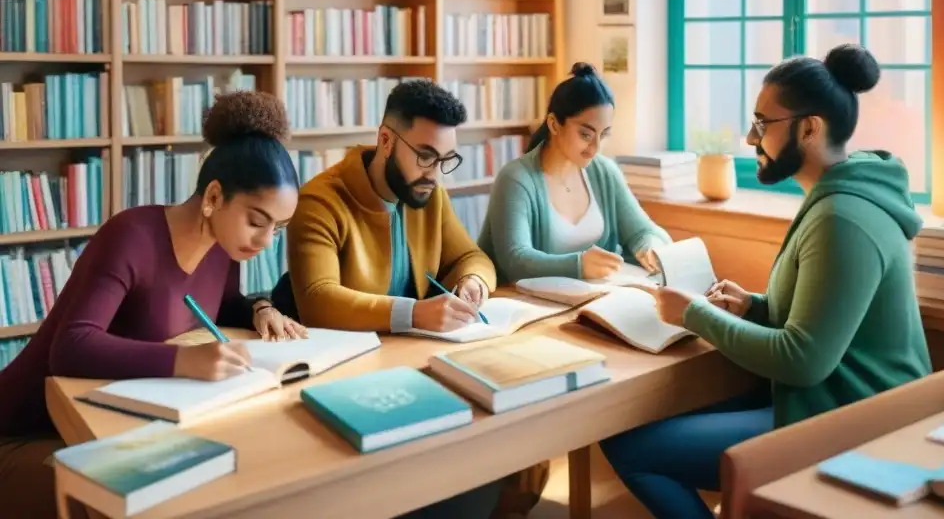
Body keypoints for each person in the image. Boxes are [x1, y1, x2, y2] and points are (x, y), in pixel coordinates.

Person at [599, 44, 933, 519]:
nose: (750, 137)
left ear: (809, 128)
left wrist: (695, 313)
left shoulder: (843, 217)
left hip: (851, 420)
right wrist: (753, 306)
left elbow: (802, 360)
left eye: (761, 124)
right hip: (835, 403)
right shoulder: (837, 199)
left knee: (631, 448)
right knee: (644, 419)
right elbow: (825, 321)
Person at [0, 90, 307, 518]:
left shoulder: (223, 245)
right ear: (214, 197)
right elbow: (71, 346)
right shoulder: (132, 236)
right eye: (257, 221)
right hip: (28, 431)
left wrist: (260, 310)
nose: (265, 240)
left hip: (108, 425)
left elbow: (221, 304)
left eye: (278, 227)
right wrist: (187, 361)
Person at [271, 78, 505, 519]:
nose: (434, 173)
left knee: (488, 446)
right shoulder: (320, 200)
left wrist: (474, 283)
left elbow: (472, 256)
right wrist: (416, 312)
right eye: (425, 156)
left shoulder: (428, 193)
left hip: (411, 363)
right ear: (385, 140)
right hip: (343, 378)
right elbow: (319, 300)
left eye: (445, 160)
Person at [478, 62, 672, 284]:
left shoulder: (604, 172)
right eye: (586, 135)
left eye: (604, 134)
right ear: (553, 124)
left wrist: (650, 248)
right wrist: (579, 265)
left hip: (594, 302)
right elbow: (515, 260)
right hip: (527, 305)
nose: (596, 147)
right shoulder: (516, 179)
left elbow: (644, 232)